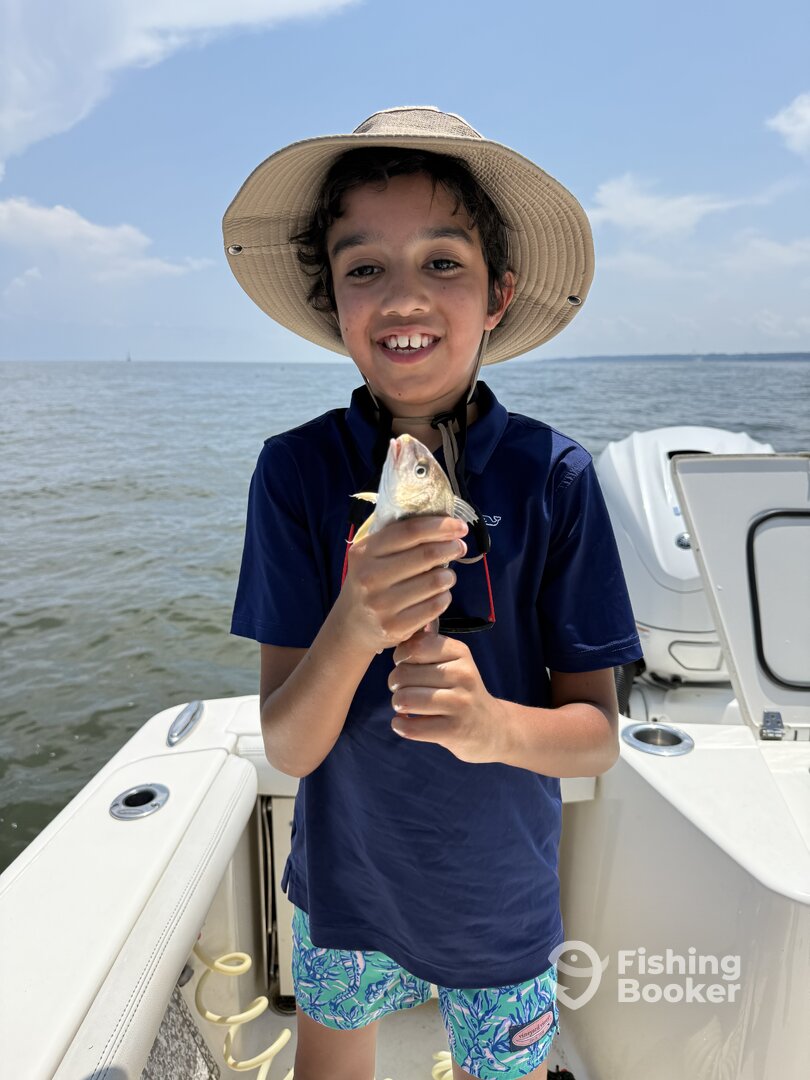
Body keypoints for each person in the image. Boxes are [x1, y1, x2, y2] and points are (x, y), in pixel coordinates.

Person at [225, 106, 643, 1080]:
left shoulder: (555, 477)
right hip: (346, 888)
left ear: (498, 295)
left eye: (443, 262)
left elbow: (596, 735)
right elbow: (289, 744)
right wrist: (354, 623)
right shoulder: (294, 474)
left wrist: (492, 725)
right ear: (333, 300)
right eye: (365, 268)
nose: (404, 296)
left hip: (500, 899)